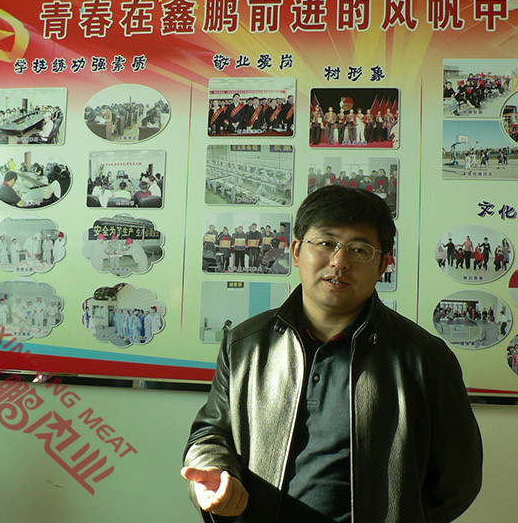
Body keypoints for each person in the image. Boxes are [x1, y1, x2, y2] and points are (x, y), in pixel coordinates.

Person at [183, 185, 482, 523]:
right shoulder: (246, 345)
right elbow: (212, 433)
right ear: (297, 251)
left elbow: (459, 480)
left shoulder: (425, 358)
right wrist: (215, 472)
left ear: (383, 265)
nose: (339, 262)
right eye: (326, 243)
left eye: (359, 249)